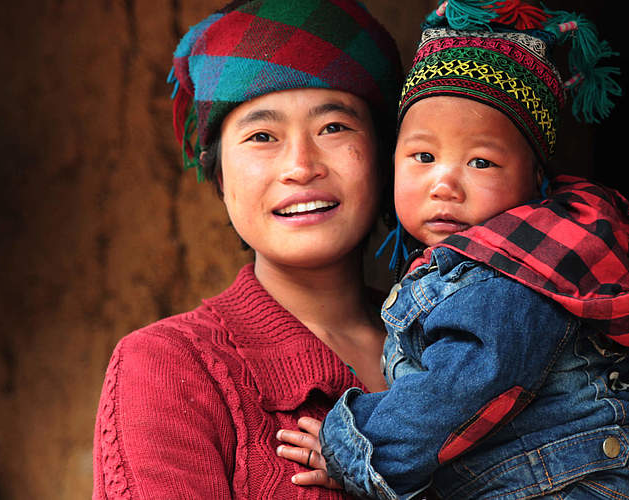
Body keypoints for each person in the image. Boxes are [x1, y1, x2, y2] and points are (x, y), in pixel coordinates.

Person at [275, 1, 629, 498]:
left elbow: (459, 389)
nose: (445, 183)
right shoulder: (463, 267)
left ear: (535, 181)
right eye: (423, 156)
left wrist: (353, 446)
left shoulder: (510, 277)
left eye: (481, 162)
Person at [90, 0, 402, 498]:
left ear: (386, 158)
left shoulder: (457, 344)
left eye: (334, 128)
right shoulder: (168, 369)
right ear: (218, 173)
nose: (301, 166)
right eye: (262, 135)